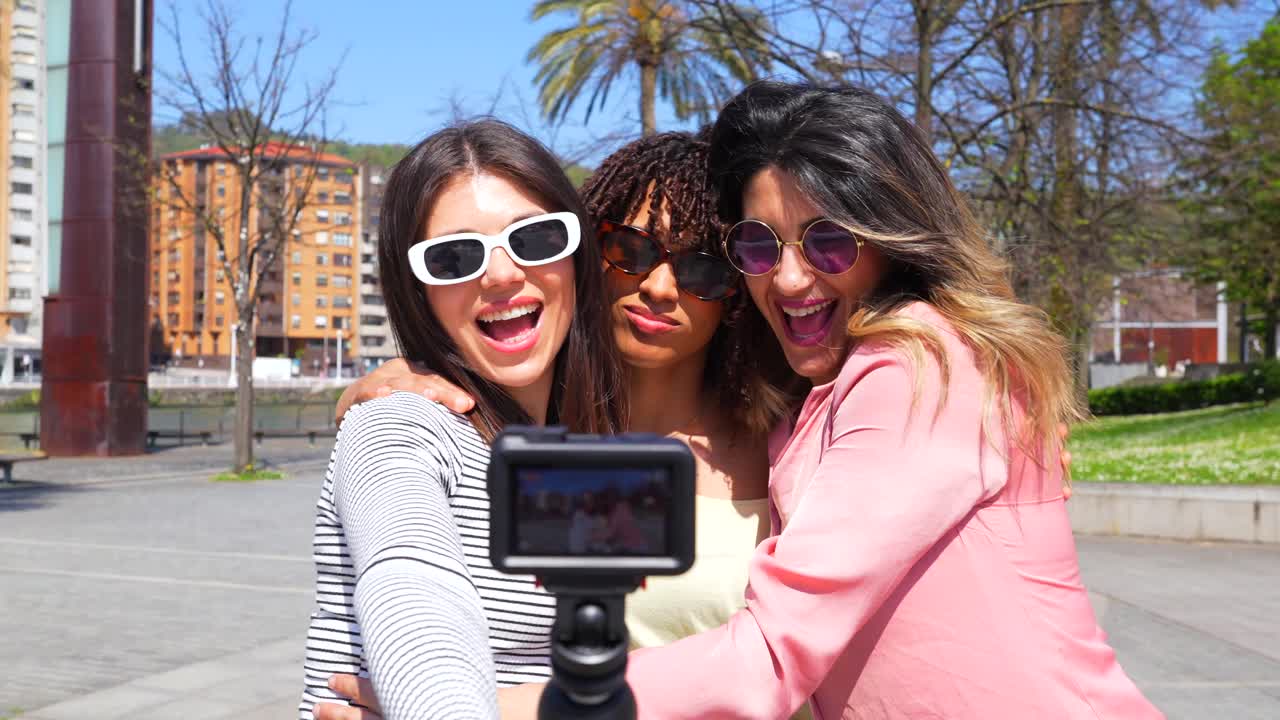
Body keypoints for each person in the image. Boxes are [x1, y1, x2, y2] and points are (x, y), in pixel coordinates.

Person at [321, 131, 815, 720]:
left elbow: (786, 654)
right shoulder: (437, 426)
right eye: (631, 250)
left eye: (702, 270)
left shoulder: (795, 443)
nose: (659, 287)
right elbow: (414, 592)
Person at [298, 119, 626, 720]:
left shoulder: (593, 443)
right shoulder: (401, 428)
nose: (501, 274)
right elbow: (415, 597)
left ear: (577, 255)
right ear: (415, 289)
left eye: (536, 238)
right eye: (453, 257)